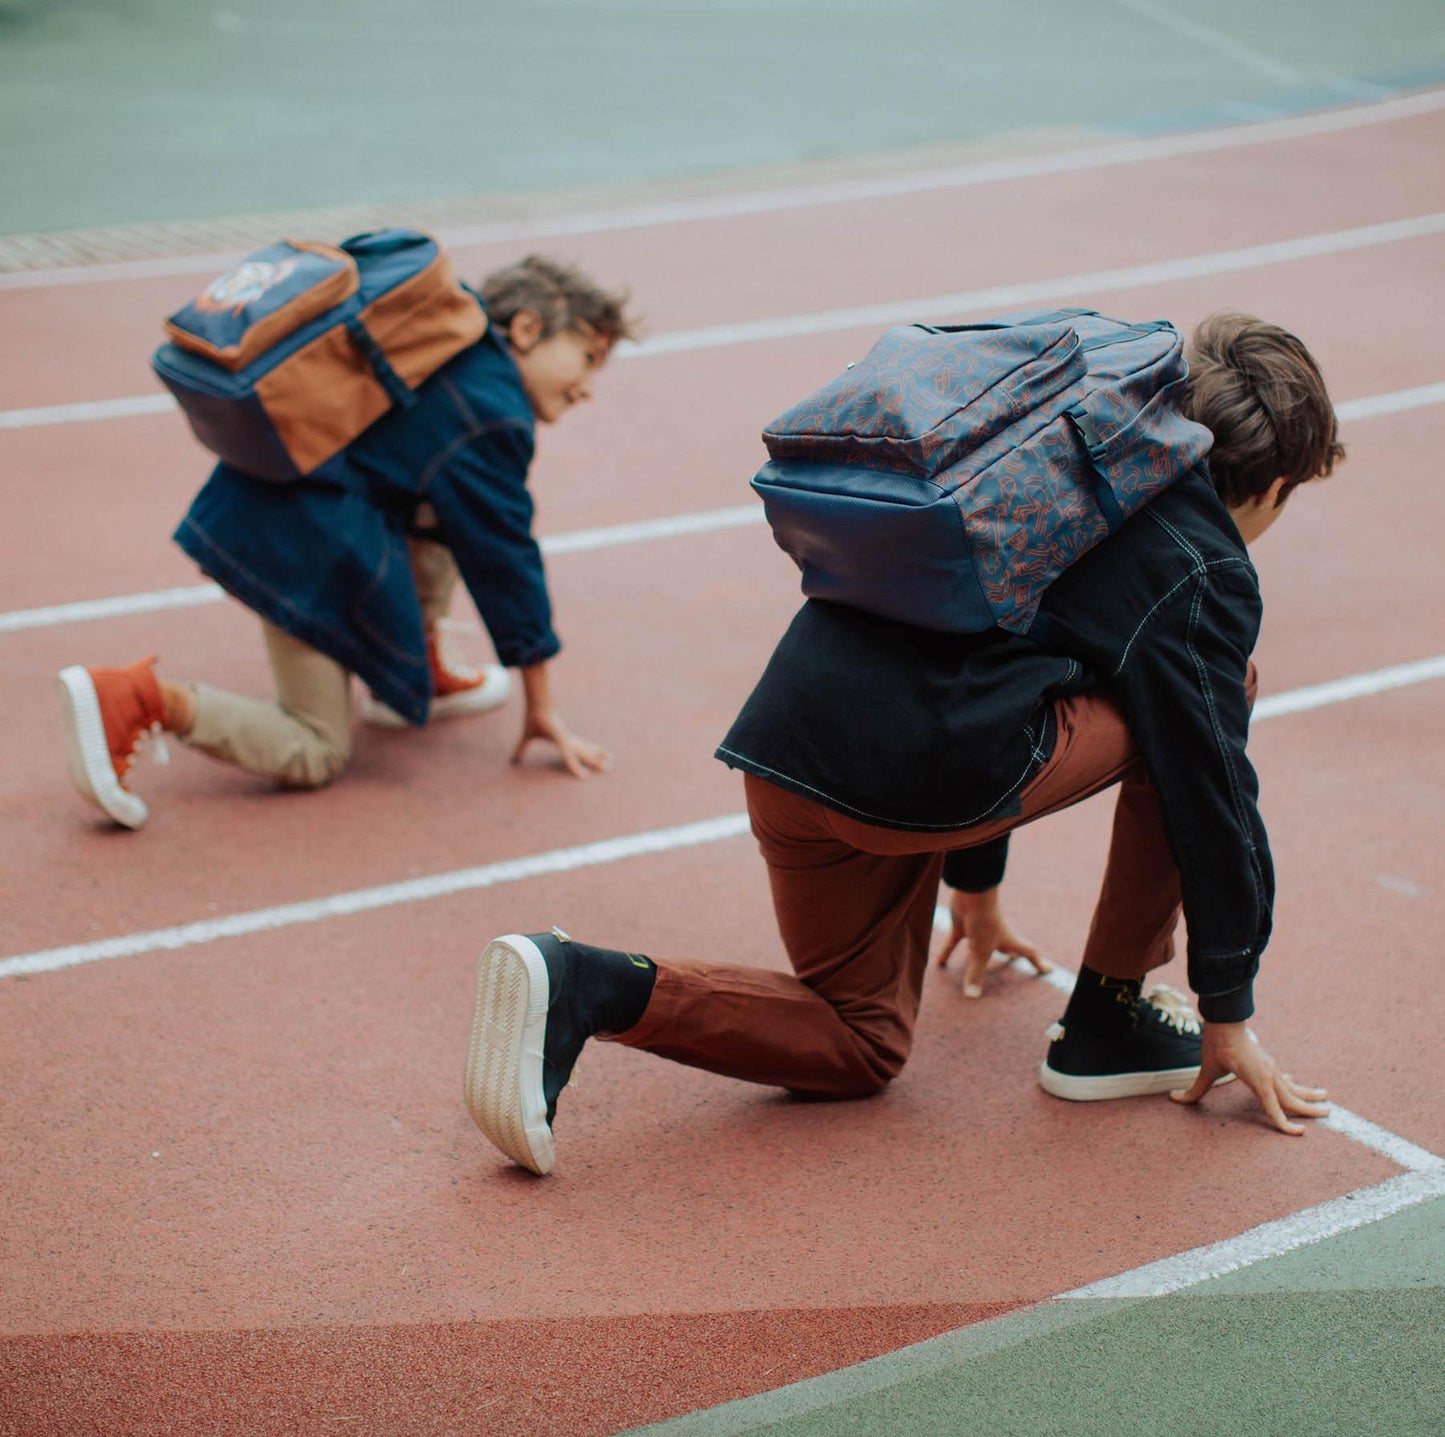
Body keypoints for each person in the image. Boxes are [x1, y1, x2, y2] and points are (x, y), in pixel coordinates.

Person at [463, 311, 1341, 1176]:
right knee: (1204, 708)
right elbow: (1213, 788)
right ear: (1271, 486)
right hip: (920, 785)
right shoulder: (1202, 566)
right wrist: (1226, 1008)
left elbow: (1004, 636)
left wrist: (976, 893)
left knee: (859, 1040)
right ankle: (1109, 1022)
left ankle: (582, 983)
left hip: (791, 746)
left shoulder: (1057, 449)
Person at [56, 256, 636, 829]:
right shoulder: (492, 412)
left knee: (444, 514)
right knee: (314, 752)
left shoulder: (441, 347)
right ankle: (138, 699)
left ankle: (420, 666)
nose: (587, 389)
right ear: (529, 329)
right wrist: (542, 705)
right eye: (588, 359)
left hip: (272, 501)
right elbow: (506, 559)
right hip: (296, 548)